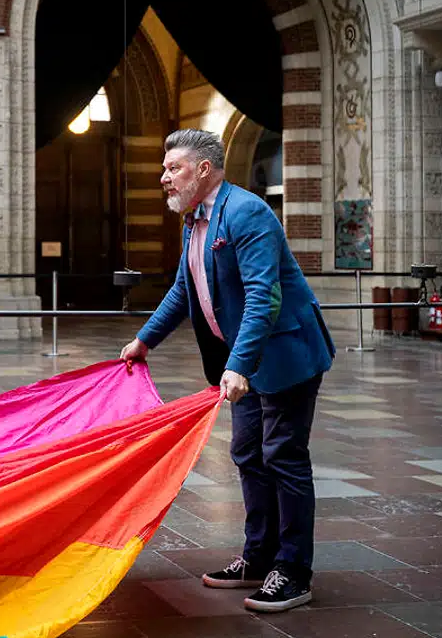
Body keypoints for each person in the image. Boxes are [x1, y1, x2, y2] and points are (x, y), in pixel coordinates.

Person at [120, 128, 334, 613]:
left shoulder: (246, 212)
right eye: (164, 168)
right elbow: (184, 289)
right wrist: (143, 340)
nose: (164, 178)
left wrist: (239, 366)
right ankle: (259, 557)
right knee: (247, 453)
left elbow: (265, 295)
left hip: (284, 355)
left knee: (283, 456)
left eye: (173, 168)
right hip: (247, 361)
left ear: (203, 169)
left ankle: (294, 571)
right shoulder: (193, 220)